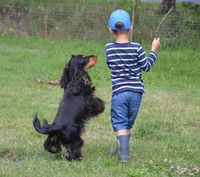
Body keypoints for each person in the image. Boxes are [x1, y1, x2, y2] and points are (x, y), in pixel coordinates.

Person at [105, 9, 160, 162]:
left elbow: (110, 65)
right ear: (131, 28)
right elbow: (147, 66)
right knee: (127, 123)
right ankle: (119, 148)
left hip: (119, 93)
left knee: (120, 123)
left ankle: (123, 156)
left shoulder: (108, 49)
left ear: (111, 29)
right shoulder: (137, 48)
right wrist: (154, 50)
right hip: (136, 92)